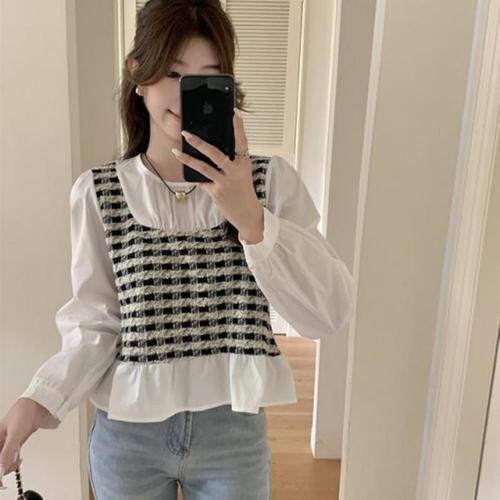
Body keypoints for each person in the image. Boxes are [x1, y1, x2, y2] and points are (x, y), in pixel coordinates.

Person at [0, 0, 355, 498]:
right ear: (138, 74)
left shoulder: (270, 183)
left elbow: (327, 313)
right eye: (173, 72)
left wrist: (252, 220)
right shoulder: (99, 193)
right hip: (127, 438)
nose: (189, 93)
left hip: (232, 432)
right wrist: (37, 401)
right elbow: (97, 323)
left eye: (209, 76)